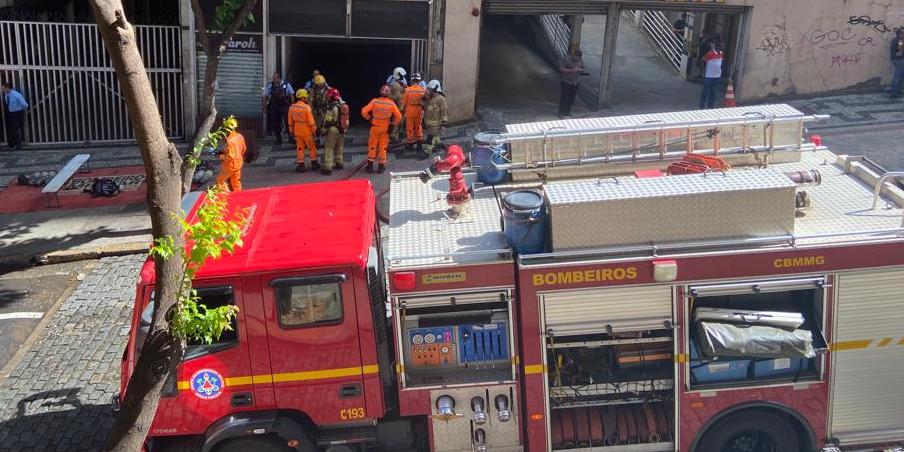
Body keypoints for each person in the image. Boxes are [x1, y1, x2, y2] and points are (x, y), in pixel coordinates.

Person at [361, 84, 402, 174]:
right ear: (389, 93)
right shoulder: (391, 103)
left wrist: (368, 118)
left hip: (375, 127)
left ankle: (370, 166)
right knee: (383, 147)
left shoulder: (375, 101)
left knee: (372, 145)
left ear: (380, 91)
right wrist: (393, 124)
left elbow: (364, 111)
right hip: (385, 128)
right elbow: (399, 116)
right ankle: (381, 167)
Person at [288, 89, 318, 173]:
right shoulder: (306, 107)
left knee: (300, 148)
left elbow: (290, 121)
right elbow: (311, 121)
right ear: (304, 98)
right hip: (307, 131)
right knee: (311, 148)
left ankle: (301, 165)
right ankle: (314, 164)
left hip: (297, 131)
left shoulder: (292, 107)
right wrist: (315, 130)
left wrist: (291, 131)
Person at [320, 88, 349, 175]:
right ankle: (339, 162)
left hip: (333, 130)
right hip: (342, 130)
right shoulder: (343, 105)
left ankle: (328, 168)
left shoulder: (331, 107)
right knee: (339, 147)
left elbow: (327, 120)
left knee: (329, 148)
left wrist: (323, 130)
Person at [215, 117, 246, 192]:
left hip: (230, 165)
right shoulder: (239, 136)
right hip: (238, 163)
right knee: (236, 182)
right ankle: (239, 197)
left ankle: (227, 197)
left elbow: (230, 156)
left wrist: (221, 156)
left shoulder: (230, 141)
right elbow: (243, 149)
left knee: (220, 180)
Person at [263, 72, 293, 145]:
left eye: (275, 78)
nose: (273, 79)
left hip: (285, 106)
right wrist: (265, 107)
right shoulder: (270, 86)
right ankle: (278, 139)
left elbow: (291, 96)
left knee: (287, 122)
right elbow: (265, 96)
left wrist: (292, 106)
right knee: (276, 123)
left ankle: (290, 138)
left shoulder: (286, 85)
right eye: (273, 78)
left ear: (279, 78)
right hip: (275, 107)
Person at [421, 79, 448, 160]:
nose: (428, 90)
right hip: (429, 123)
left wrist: (443, 124)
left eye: (429, 89)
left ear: (435, 89)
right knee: (434, 136)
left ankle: (426, 152)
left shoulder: (441, 99)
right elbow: (425, 107)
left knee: (430, 138)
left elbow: (444, 112)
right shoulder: (429, 98)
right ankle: (439, 144)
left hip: (436, 124)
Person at [402, 72, 427, 155]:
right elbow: (425, 101)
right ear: (419, 81)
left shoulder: (407, 90)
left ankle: (410, 145)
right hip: (419, 110)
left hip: (409, 109)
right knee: (418, 126)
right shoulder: (423, 90)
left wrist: (402, 110)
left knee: (409, 127)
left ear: (412, 81)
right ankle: (419, 145)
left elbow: (404, 102)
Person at [558, 48, 584, 118]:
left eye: (578, 58)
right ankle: (561, 113)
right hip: (566, 81)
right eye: (576, 57)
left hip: (575, 82)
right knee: (564, 97)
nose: (577, 59)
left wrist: (579, 70)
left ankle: (567, 111)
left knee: (571, 97)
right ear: (573, 55)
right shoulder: (566, 59)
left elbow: (583, 68)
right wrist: (571, 70)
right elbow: (561, 69)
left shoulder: (580, 60)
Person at [3, 81, 28, 151]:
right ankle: (12, 144)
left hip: (17, 113)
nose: (3, 90)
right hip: (11, 113)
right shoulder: (6, 94)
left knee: (14, 130)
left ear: (8, 88)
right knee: (11, 129)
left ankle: (17, 145)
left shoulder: (16, 95)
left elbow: (25, 105)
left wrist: (20, 110)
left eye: (4, 88)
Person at [699, 37, 724, 109]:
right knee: (705, 92)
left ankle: (711, 106)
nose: (721, 47)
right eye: (720, 45)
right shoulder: (710, 54)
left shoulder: (721, 54)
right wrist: (703, 72)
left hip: (716, 76)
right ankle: (702, 105)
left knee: (713, 92)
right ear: (717, 46)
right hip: (709, 76)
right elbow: (702, 61)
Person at [388, 67, 407, 142]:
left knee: (397, 121)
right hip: (397, 106)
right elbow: (399, 97)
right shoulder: (396, 85)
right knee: (397, 121)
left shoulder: (398, 84)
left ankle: (396, 135)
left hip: (396, 106)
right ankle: (393, 135)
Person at [309, 74, 330, 142]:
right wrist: (311, 111)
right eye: (319, 83)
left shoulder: (328, 89)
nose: (321, 85)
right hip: (316, 111)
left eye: (322, 83)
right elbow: (310, 101)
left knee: (326, 126)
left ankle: (326, 141)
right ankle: (317, 140)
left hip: (326, 110)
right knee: (317, 127)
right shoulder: (313, 90)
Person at [889, 28, 904, 99]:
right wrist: (900, 52)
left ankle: (898, 90)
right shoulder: (900, 40)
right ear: (900, 34)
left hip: (896, 59)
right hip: (899, 60)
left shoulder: (895, 39)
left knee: (900, 76)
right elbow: (900, 48)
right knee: (898, 76)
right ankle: (894, 92)